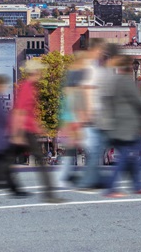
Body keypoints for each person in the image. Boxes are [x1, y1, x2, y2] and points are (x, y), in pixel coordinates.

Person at [103, 56, 141, 197]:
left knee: (131, 155)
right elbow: (139, 102)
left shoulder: (113, 83)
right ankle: (115, 187)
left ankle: (138, 186)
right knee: (135, 154)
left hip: (116, 127)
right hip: (126, 128)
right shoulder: (126, 83)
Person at [10, 59, 64, 203]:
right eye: (40, 71)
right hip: (24, 131)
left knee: (7, 159)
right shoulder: (27, 86)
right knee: (40, 160)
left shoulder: (29, 86)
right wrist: (18, 134)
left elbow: (27, 111)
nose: (41, 73)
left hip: (26, 130)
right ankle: (49, 194)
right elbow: (20, 111)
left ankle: (8, 185)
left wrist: (38, 127)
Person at [78, 39, 112, 190]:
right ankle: (90, 179)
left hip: (97, 114)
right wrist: (88, 113)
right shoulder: (90, 68)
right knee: (96, 147)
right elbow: (87, 90)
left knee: (97, 146)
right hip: (93, 115)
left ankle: (92, 177)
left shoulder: (94, 67)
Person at [55, 52, 87, 188]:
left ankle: (69, 174)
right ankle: (66, 175)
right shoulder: (75, 80)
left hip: (71, 120)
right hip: (72, 120)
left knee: (72, 148)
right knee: (74, 148)